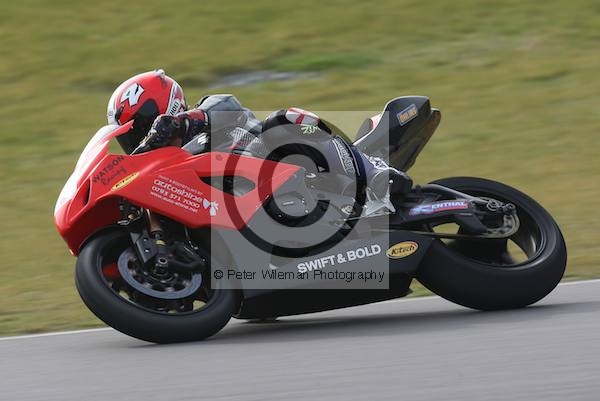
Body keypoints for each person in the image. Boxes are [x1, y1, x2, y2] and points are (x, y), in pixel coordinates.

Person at [106, 69, 412, 205]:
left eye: (141, 126)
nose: (142, 138)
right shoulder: (166, 173)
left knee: (281, 121)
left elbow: (228, 104)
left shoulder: (208, 110)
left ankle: (375, 172)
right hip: (252, 208)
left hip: (287, 167)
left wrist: (181, 123)